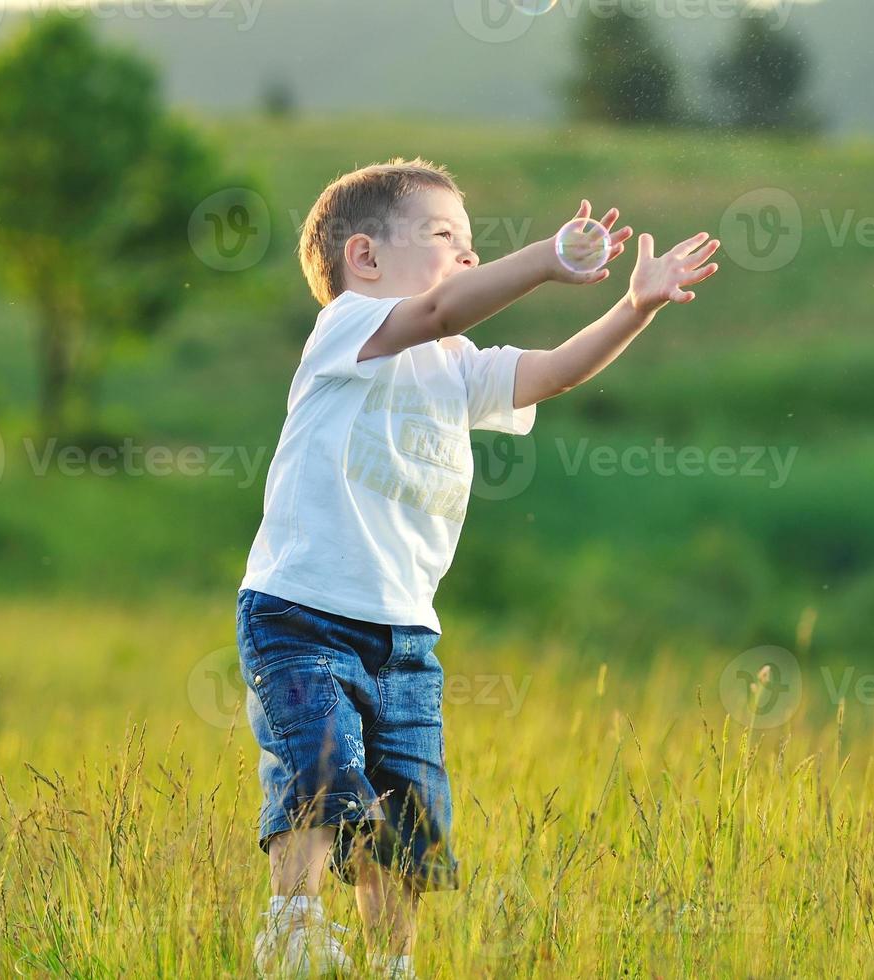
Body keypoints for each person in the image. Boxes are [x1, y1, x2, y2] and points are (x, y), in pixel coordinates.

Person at [236, 157, 719, 978]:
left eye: (473, 241)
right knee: (320, 761)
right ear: (365, 258)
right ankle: (292, 926)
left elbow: (553, 370)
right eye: (445, 236)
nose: (467, 255)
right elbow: (438, 306)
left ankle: (392, 963)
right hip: (301, 610)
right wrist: (544, 258)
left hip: (408, 636)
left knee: (409, 809)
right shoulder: (349, 328)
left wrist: (634, 306)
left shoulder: (457, 366)